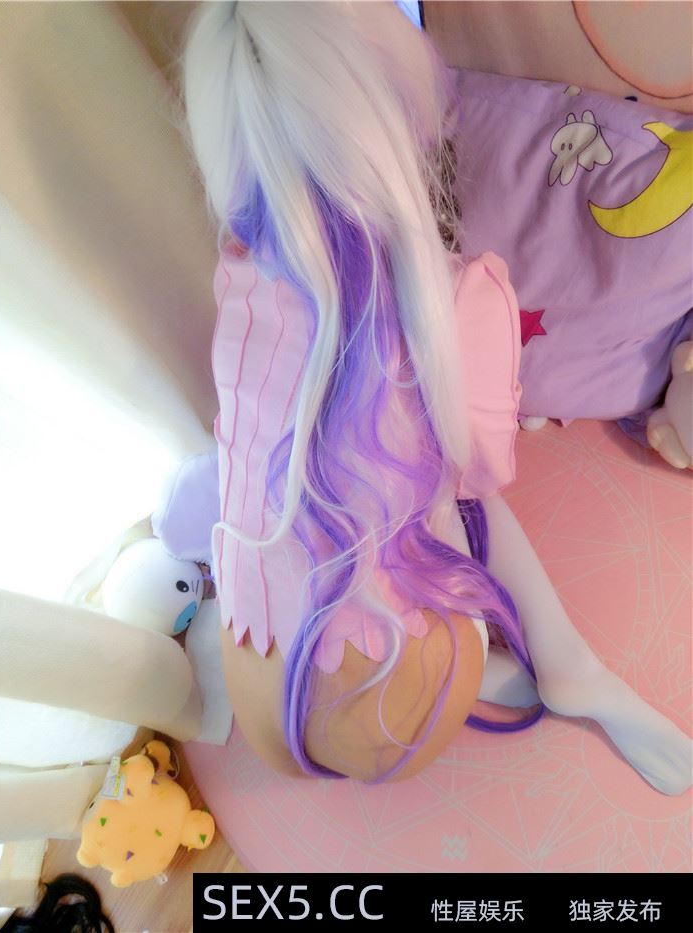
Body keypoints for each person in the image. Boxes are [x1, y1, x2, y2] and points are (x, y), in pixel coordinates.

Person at [180, 0, 691, 794]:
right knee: (454, 498)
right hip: (414, 691)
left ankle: (541, 665)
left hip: (259, 699)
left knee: (307, 481)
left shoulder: (237, 276)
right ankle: (569, 664)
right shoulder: (462, 297)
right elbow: (481, 472)